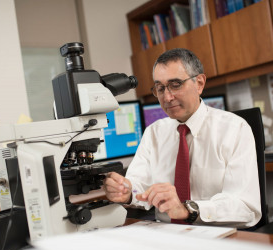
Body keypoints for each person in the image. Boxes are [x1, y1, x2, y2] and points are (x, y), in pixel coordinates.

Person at [104, 48, 261, 228]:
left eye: (176, 84)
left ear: (199, 83)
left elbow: (245, 206)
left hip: (217, 236)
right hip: (167, 235)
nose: (167, 97)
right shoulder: (153, 133)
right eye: (160, 88)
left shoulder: (235, 129)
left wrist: (188, 209)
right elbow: (140, 186)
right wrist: (127, 191)